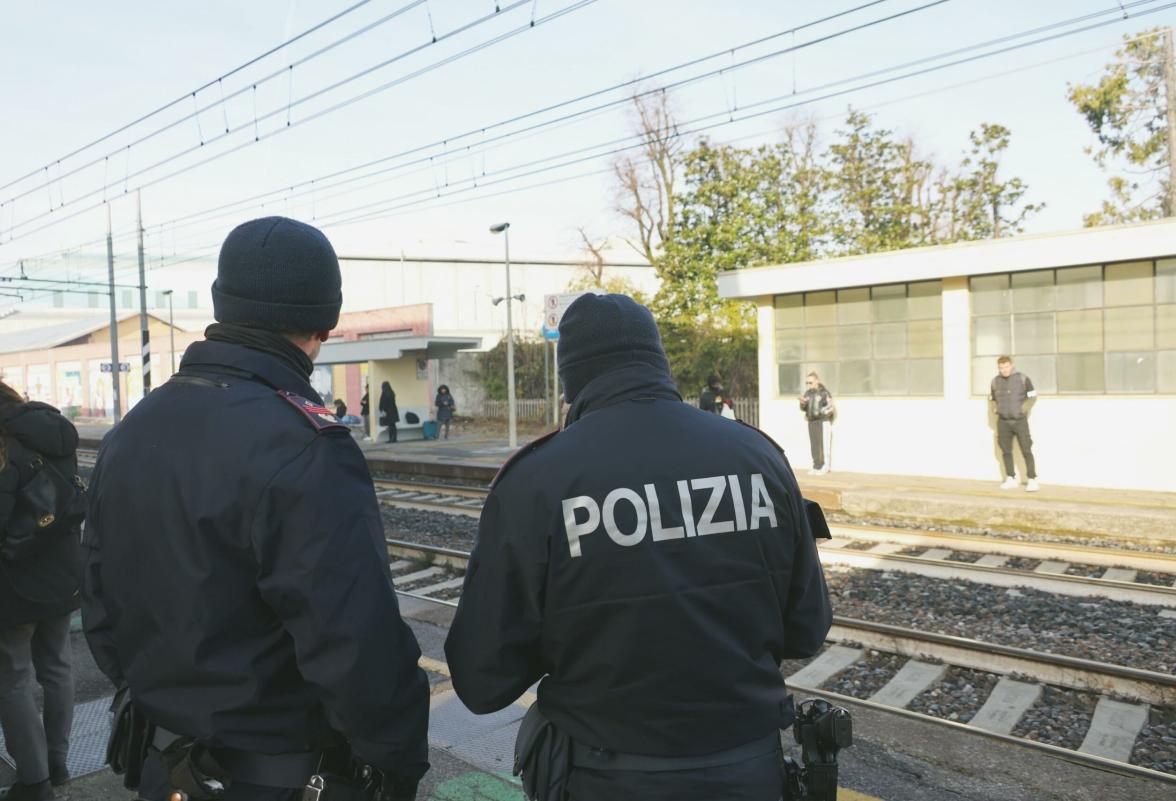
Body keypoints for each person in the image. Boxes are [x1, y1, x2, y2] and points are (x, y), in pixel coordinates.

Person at [82, 217, 429, 801]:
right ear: (325, 320)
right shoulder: (306, 448)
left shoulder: (132, 431)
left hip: (160, 762)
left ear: (224, 305)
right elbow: (356, 646)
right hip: (276, 773)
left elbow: (97, 598)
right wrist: (398, 764)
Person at [445, 293, 832, 801]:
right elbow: (807, 628)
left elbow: (481, 678)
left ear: (571, 379)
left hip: (600, 776)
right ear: (658, 361)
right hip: (748, 771)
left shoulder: (536, 480)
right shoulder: (758, 456)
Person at [0, 382, 81, 801]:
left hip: (13, 580)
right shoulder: (54, 429)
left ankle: (34, 780)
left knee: (12, 677)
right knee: (56, 666)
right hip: (62, 570)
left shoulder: (5, 443)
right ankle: (58, 762)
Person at [990, 355, 1039, 492]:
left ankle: (1032, 479)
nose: (1004, 370)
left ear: (1011, 365)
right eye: (1001, 368)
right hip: (1003, 422)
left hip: (1019, 421)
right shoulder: (995, 381)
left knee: (1026, 449)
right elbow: (992, 398)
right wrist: (996, 408)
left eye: (1006, 367)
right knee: (1006, 451)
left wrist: (1023, 409)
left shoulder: (1022, 379)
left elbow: (1033, 396)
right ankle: (1010, 478)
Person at [799, 372, 834, 475]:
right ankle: (816, 466)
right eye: (807, 383)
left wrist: (821, 413)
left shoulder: (824, 393)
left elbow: (830, 407)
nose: (808, 385)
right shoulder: (808, 393)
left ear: (817, 381)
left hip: (822, 421)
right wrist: (802, 404)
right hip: (811, 422)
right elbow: (803, 408)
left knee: (823, 445)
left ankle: (825, 466)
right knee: (814, 445)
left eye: (810, 382)